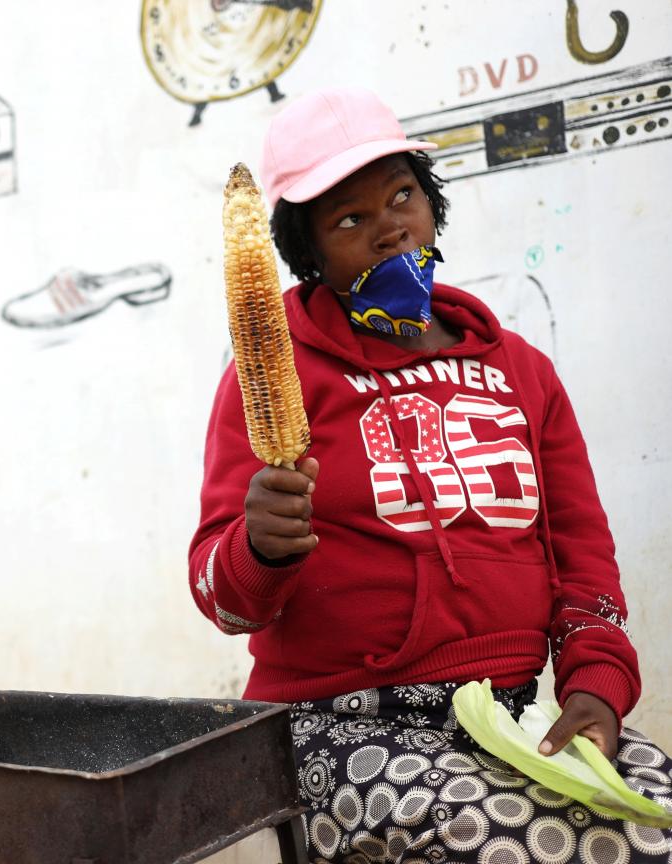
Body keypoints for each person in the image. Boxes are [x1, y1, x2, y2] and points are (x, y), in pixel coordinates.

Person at [188, 87, 672, 862]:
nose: (388, 227)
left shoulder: (522, 371)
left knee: (655, 824)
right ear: (307, 250)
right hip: (335, 728)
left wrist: (595, 685)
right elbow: (222, 595)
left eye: (402, 195)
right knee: (514, 843)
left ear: (431, 202)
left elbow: (583, 556)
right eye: (349, 219)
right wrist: (261, 547)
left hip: (505, 715)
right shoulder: (275, 373)